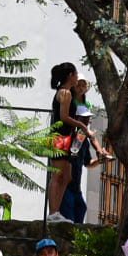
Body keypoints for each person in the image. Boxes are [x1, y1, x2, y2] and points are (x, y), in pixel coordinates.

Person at [45, 62, 81, 224]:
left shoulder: (70, 93)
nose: (77, 77)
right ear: (70, 75)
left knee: (66, 176)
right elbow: (64, 116)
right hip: (59, 137)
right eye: (75, 74)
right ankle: (52, 213)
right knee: (57, 175)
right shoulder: (64, 93)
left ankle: (56, 211)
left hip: (67, 138)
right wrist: (81, 126)